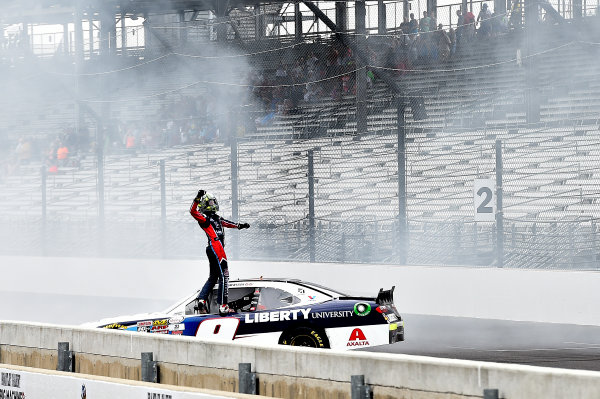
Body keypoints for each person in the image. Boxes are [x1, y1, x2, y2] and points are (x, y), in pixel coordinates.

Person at [190, 190, 250, 315]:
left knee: (213, 277)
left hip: (213, 247)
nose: (213, 204)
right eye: (210, 202)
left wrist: (240, 226)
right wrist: (197, 197)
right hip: (216, 246)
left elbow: (227, 223)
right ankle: (223, 306)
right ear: (205, 204)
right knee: (225, 275)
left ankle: (202, 300)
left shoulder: (216, 218)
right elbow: (192, 211)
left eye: (213, 201)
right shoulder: (204, 218)